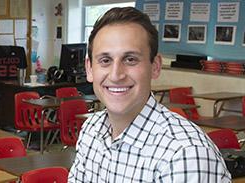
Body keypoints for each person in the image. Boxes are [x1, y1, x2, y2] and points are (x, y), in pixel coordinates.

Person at [69, 7, 230, 182]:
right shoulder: (91, 130)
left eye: (130, 59)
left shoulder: (185, 154)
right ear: (89, 69)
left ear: (155, 66)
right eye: (105, 60)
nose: (116, 75)